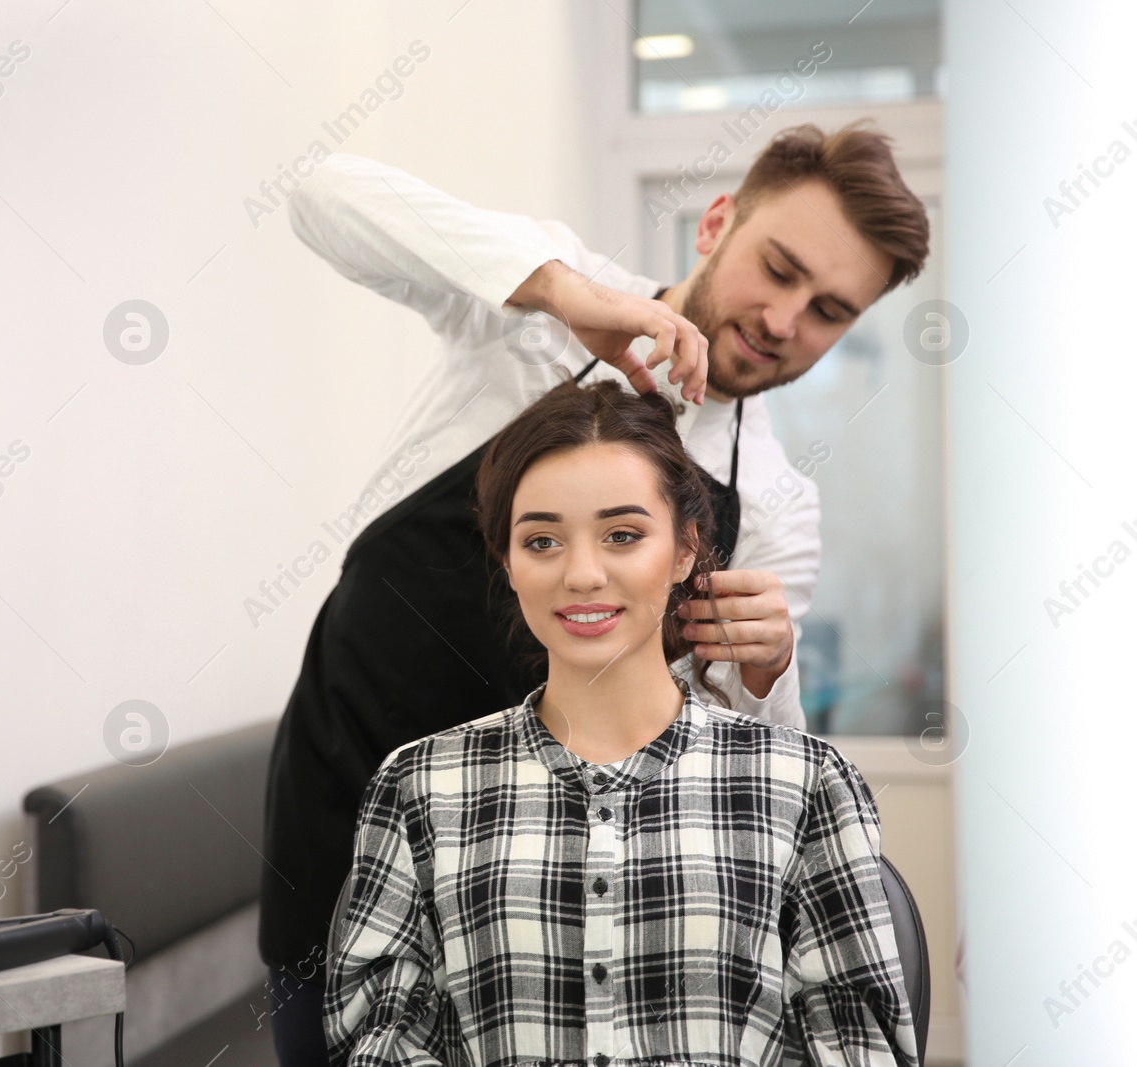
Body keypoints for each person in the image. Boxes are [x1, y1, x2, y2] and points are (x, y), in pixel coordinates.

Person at [260, 123, 930, 1063]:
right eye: (778, 269)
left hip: (571, 906)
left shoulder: (777, 504)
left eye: (828, 309)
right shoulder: (536, 308)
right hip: (348, 826)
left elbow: (758, 789)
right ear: (718, 222)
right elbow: (319, 191)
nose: (785, 320)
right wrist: (564, 293)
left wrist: (768, 669)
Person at [325, 377, 918, 1067]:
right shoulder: (417, 785)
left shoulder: (806, 784)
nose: (581, 573)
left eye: (623, 534)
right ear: (507, 561)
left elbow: (858, 1043)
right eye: (542, 540)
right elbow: (379, 1039)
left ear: (686, 550)